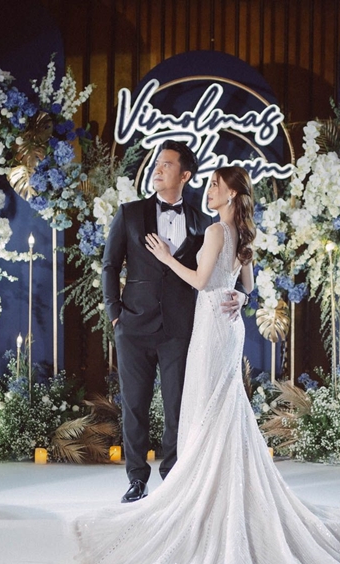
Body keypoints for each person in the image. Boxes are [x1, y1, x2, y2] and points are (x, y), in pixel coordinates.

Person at [76, 166, 340, 564]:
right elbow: (247, 286)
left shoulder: (214, 230)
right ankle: (215, 481)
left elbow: (199, 280)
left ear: (230, 194)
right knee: (221, 408)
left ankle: (205, 489)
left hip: (211, 327)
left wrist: (166, 259)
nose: (208, 190)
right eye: (208, 183)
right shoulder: (244, 235)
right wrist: (242, 296)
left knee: (207, 410)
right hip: (228, 329)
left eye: (215, 185)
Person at [102, 140, 245, 503]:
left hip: (182, 329)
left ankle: (173, 476)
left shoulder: (203, 222)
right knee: (134, 406)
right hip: (133, 326)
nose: (158, 169)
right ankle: (137, 479)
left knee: (179, 406)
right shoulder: (130, 213)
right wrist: (115, 314)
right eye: (157, 163)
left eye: (167, 164)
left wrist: (243, 296)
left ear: (185, 175)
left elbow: (226, 270)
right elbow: (109, 265)